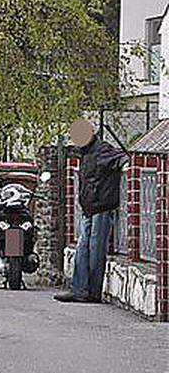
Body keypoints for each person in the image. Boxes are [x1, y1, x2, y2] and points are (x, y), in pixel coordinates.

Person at [55, 120, 127, 303]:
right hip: (89, 207)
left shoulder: (102, 149)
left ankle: (92, 292)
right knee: (83, 248)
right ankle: (80, 289)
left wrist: (126, 167)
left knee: (95, 248)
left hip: (102, 206)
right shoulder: (86, 154)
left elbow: (122, 159)